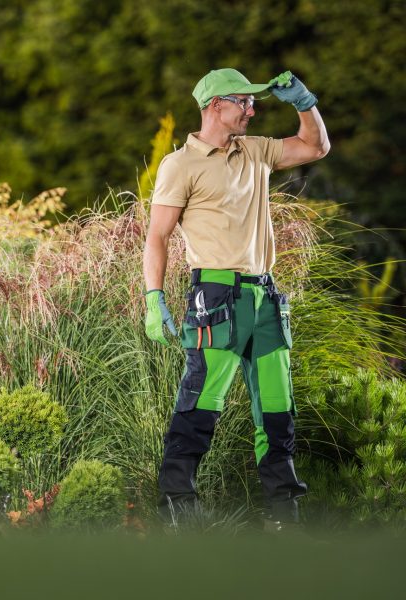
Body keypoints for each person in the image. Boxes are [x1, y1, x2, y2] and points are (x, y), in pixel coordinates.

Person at [142, 68, 330, 529]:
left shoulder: (256, 150)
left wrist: (305, 104)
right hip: (216, 298)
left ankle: (285, 520)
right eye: (243, 102)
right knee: (201, 404)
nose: (252, 108)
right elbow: (158, 237)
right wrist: (154, 299)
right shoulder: (180, 165)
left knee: (278, 410)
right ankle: (180, 511)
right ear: (214, 107)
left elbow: (315, 147)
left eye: (253, 102)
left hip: (264, 296)